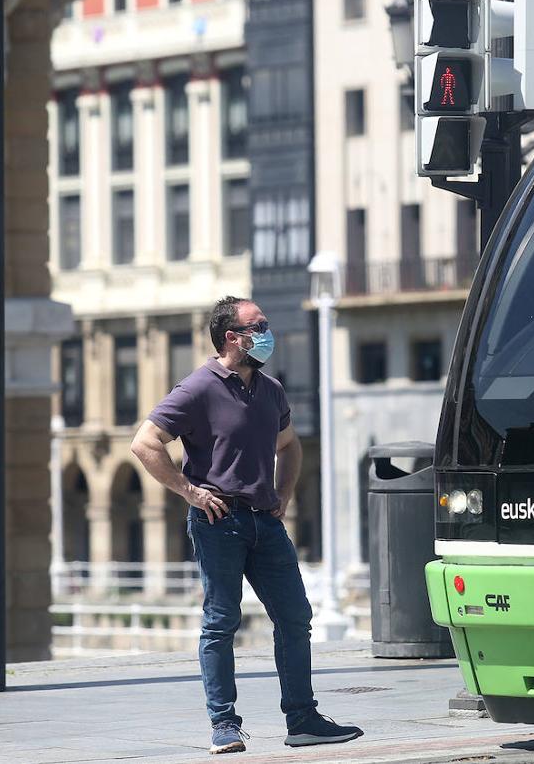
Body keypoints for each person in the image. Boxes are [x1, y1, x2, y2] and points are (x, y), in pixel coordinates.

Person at [131, 296, 363, 755]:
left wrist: (285, 490)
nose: (267, 332)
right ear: (231, 337)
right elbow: (144, 443)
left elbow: (290, 445)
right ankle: (224, 725)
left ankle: (303, 719)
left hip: (264, 522)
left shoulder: (270, 389)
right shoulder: (198, 387)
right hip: (218, 523)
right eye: (258, 326)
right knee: (221, 622)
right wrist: (189, 491)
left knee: (296, 618)